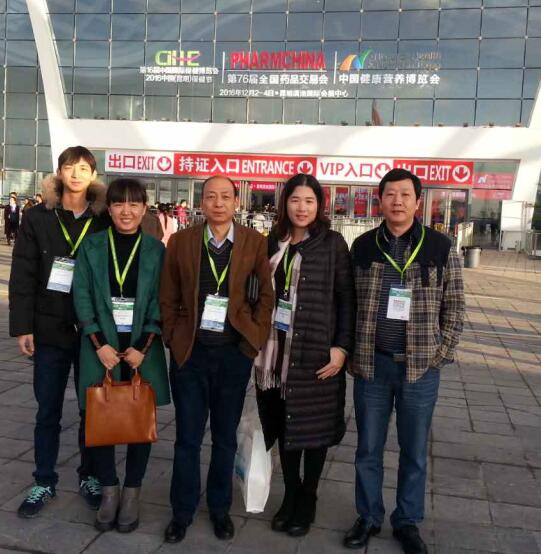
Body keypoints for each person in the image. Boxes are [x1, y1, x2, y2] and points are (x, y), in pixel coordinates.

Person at [344, 169, 465, 554]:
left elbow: (455, 306)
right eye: (390, 194)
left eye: (405, 195)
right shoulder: (363, 246)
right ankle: (368, 516)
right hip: (373, 367)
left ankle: (407, 521)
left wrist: (439, 355)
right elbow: (348, 304)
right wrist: (351, 353)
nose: (397, 201)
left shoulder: (440, 247)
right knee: (368, 449)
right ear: (380, 200)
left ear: (418, 201)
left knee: (414, 451)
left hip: (419, 370)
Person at [160, 175, 274, 544]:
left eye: (226, 196)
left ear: (236, 202)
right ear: (202, 202)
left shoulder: (254, 242)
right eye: (211, 196)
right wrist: (173, 336)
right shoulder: (182, 241)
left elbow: (266, 297)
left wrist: (253, 340)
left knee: (225, 438)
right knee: (187, 438)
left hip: (233, 354)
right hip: (190, 354)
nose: (219, 203)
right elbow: (167, 294)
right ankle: (182, 511)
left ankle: (220, 508)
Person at [9, 146, 110, 518]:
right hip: (49, 328)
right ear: (60, 172)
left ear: (93, 174)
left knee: (91, 409)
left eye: (84, 168)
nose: (76, 174)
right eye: (70, 167)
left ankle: (90, 476)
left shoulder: (104, 218)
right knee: (47, 409)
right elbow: (23, 273)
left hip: (92, 332)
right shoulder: (38, 217)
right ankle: (43, 480)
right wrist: (23, 327)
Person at [255, 174, 356, 537]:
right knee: (283, 426)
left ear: (319, 205)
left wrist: (341, 348)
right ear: (285, 203)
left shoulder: (332, 244)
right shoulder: (272, 241)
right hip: (273, 355)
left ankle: (308, 496)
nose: (301, 208)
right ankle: (291, 494)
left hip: (316, 352)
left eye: (309, 201)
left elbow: (346, 299)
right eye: (295, 200)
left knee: (313, 429)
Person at [73, 178, 170, 533]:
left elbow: (162, 299)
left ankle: (131, 493)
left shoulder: (156, 250)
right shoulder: (92, 246)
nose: (126, 211)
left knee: (139, 421)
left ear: (144, 209)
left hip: (142, 349)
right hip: (100, 348)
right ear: (109, 209)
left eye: (133, 204)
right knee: (99, 418)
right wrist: (99, 343)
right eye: (118, 204)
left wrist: (142, 347)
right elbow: (82, 295)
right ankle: (109, 490)